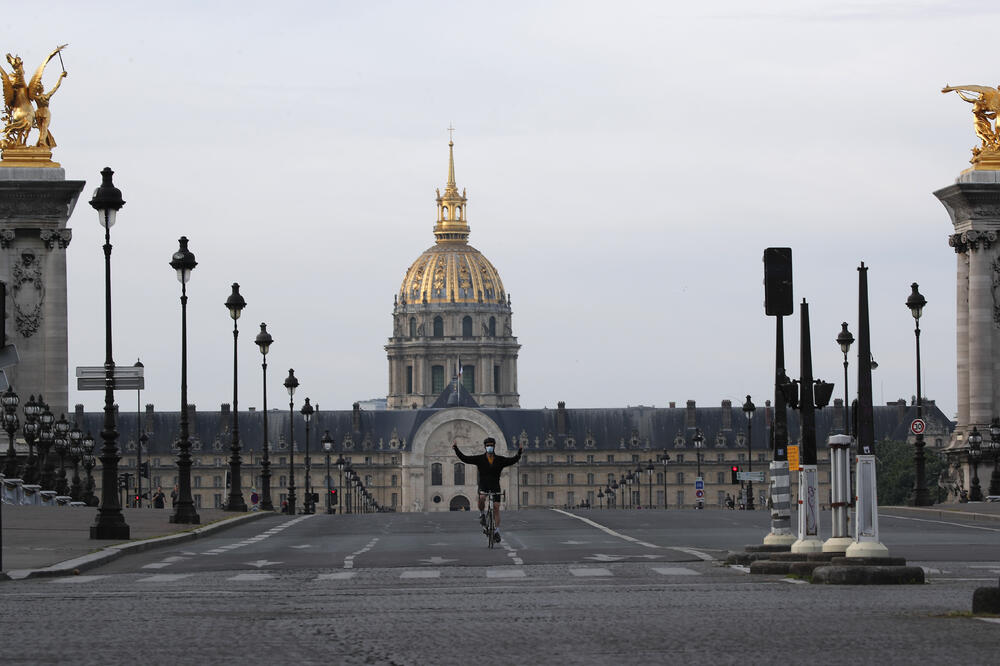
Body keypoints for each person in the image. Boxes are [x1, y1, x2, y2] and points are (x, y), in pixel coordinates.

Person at [453, 437, 522, 542]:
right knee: (481, 498)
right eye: (488, 445)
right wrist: (456, 449)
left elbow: (512, 460)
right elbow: (465, 458)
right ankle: (482, 514)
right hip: (484, 485)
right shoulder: (479, 459)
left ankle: (497, 531)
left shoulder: (500, 460)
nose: (490, 447)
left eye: (491, 445)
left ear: (494, 446)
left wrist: (519, 452)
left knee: (496, 508)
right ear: (485, 447)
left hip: (495, 486)